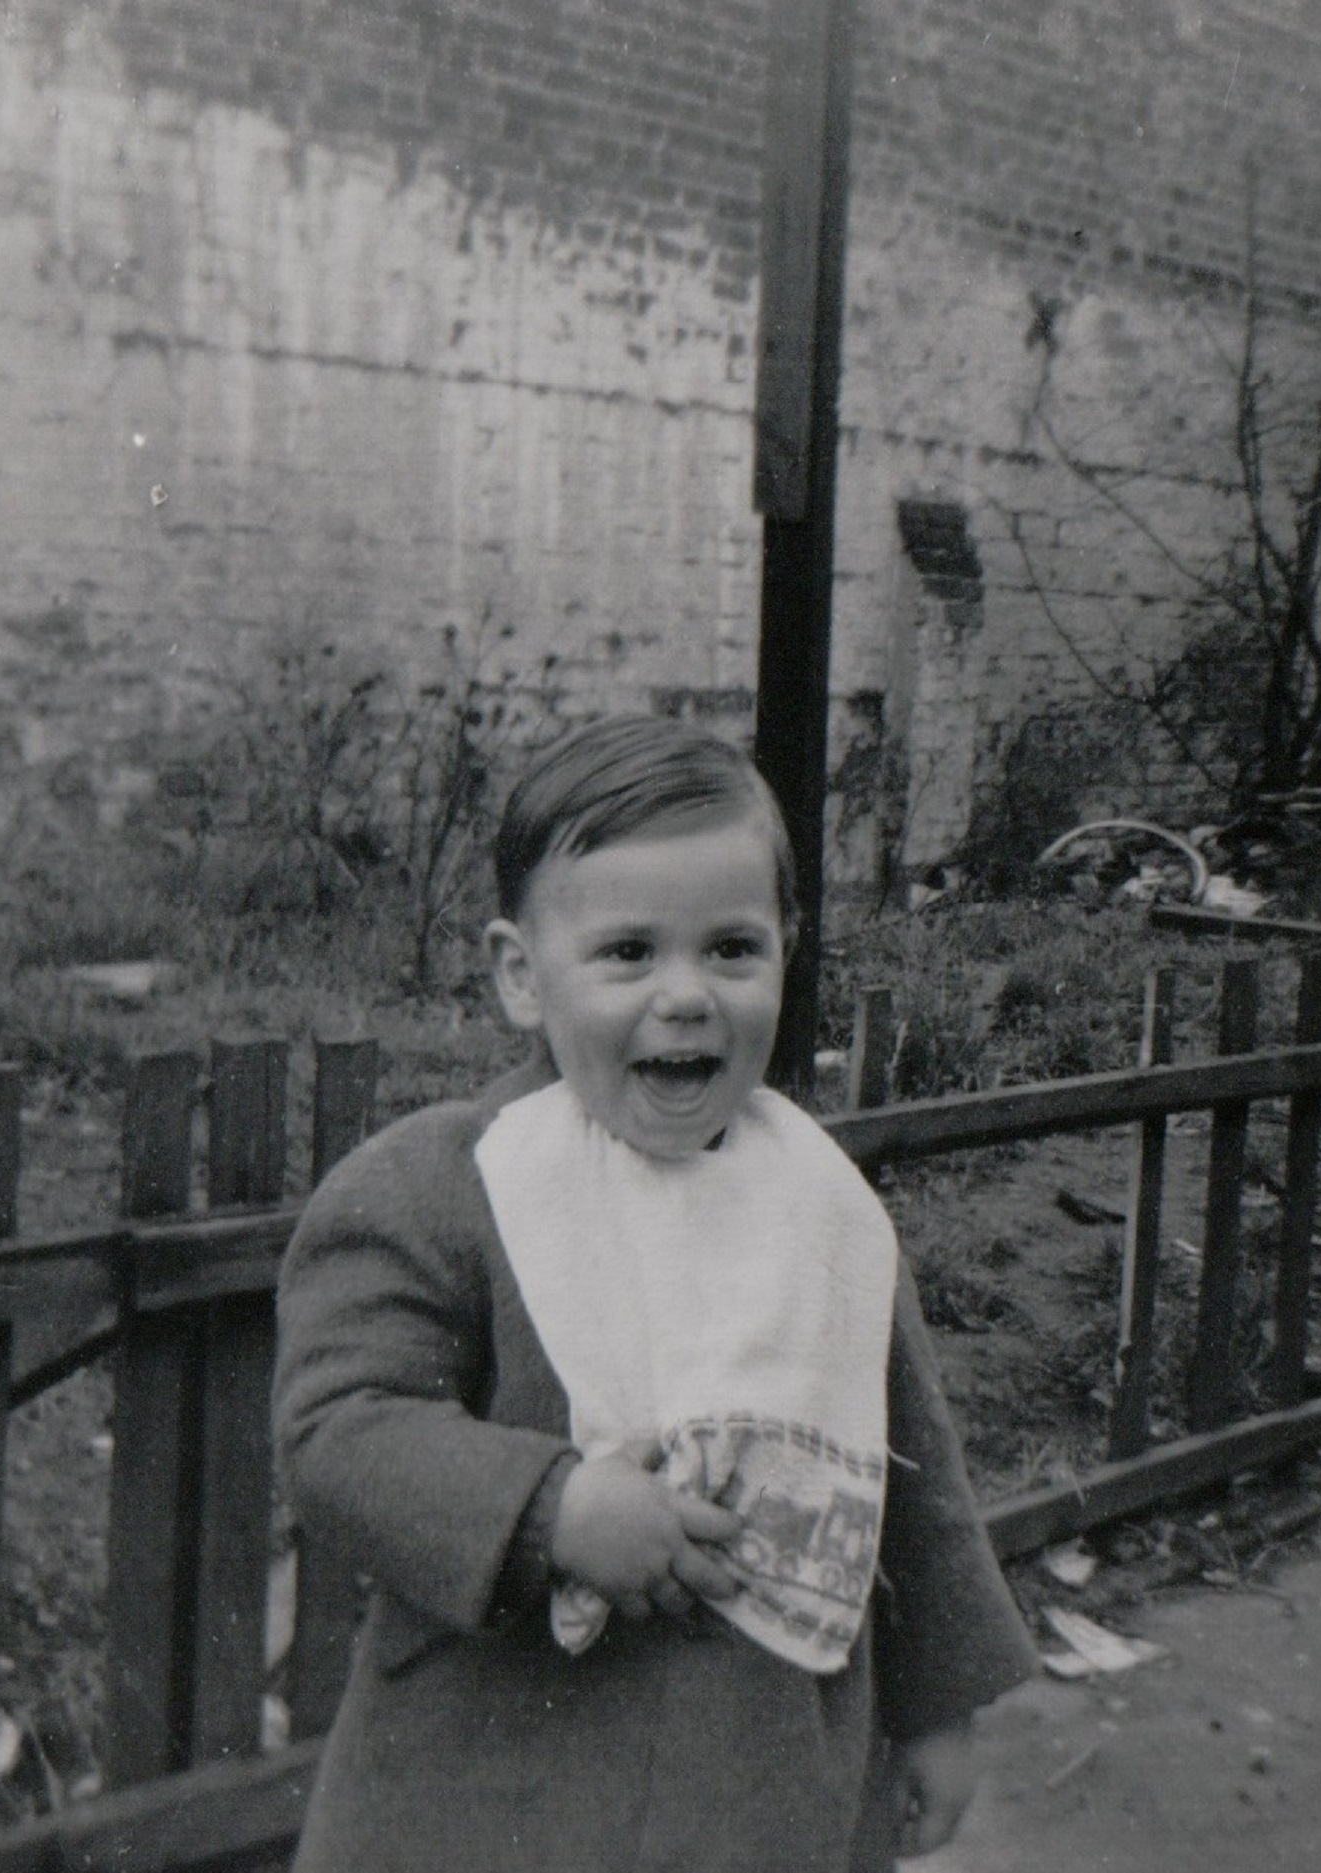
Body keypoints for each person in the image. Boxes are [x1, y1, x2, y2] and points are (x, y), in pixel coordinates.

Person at [272, 715, 1037, 1872]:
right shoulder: (448, 1185)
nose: (684, 996)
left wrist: (936, 1711)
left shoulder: (819, 1207)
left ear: (787, 947)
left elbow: (908, 1483)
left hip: (756, 1773)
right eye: (628, 952)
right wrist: (549, 1507)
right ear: (522, 977)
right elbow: (338, 1427)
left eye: (730, 949)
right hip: (492, 1779)